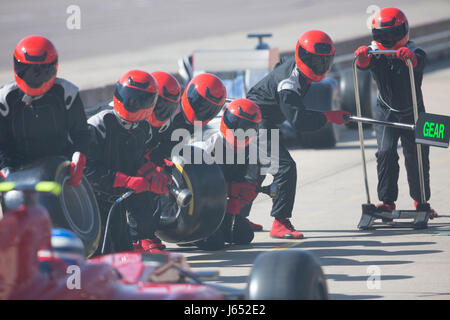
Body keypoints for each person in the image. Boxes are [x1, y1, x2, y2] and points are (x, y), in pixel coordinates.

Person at [246, 30, 350, 239]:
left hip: (261, 119)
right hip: (253, 121)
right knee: (285, 167)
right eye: (314, 61)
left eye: (324, 61)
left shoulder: (297, 71)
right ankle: (280, 222)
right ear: (301, 55)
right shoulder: (289, 83)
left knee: (256, 170)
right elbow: (299, 120)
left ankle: (237, 218)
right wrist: (329, 116)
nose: (319, 66)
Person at [354, 7, 437, 217]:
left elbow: (420, 61)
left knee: (417, 155)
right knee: (385, 153)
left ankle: (421, 200)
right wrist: (362, 56)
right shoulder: (375, 52)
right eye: (383, 35)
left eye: (393, 34)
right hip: (385, 111)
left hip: (414, 111)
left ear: (403, 31)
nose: (388, 39)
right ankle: (387, 201)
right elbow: (363, 65)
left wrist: (410, 58)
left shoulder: (414, 50)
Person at [85, 70, 172, 254]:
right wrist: (126, 181)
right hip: (89, 201)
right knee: (98, 258)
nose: (134, 105)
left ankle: (142, 236)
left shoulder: (144, 128)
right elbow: (87, 170)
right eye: (130, 99)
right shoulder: (98, 124)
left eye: (142, 101)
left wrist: (153, 173)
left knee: (124, 255)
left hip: (116, 202)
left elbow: (137, 160)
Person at [0, 35, 90, 186]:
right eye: (27, 70)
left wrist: (78, 158)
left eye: (42, 71)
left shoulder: (67, 92)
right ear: (17, 67)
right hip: (17, 171)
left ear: (54, 67)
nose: (35, 76)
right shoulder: (5, 98)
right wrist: (4, 167)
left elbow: (81, 133)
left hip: (60, 168)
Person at [192, 98, 262, 250]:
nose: (241, 132)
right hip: (199, 208)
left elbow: (251, 178)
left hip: (221, 206)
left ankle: (219, 225)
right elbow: (199, 187)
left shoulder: (249, 149)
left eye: (247, 128)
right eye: (238, 126)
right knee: (215, 243)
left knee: (245, 236)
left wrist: (245, 194)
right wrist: (232, 189)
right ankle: (190, 234)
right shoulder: (210, 147)